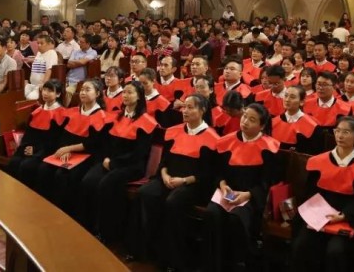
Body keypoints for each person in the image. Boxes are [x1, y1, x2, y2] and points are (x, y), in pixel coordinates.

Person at [131, 94, 219, 269]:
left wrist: (183, 180)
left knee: (173, 202)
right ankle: (148, 248)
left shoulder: (212, 137)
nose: (185, 111)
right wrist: (163, 175)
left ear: (202, 110)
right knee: (145, 193)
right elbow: (164, 162)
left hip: (194, 185)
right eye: (184, 107)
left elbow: (207, 174)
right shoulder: (174, 131)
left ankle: (174, 258)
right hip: (168, 178)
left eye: (190, 107)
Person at [291, 115, 354, 272]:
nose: (340, 136)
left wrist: (344, 216)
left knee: (335, 251)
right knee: (302, 245)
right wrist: (316, 214)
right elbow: (310, 192)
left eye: (346, 132)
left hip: (346, 220)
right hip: (318, 218)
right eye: (338, 131)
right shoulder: (319, 161)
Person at [202, 103, 280, 271]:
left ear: (262, 125)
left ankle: (238, 264)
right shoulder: (226, 141)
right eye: (245, 116)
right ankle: (214, 264)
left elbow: (267, 182)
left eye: (252, 120)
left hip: (251, 198)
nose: (245, 122)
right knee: (211, 213)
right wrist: (222, 185)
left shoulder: (269, 147)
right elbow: (218, 172)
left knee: (236, 218)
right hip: (226, 193)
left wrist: (248, 195)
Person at [78, 81, 157, 242]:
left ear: (139, 97)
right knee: (88, 180)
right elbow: (107, 143)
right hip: (111, 161)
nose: (126, 96)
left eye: (130, 93)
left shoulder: (146, 121)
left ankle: (106, 232)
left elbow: (139, 153)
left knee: (106, 183)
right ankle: (87, 225)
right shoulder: (116, 117)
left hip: (132, 165)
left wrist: (113, 163)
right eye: (124, 93)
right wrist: (107, 159)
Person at [36, 79, 111, 213]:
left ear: (98, 93)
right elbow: (63, 135)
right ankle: (44, 206)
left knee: (62, 174)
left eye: (88, 90)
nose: (83, 92)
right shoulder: (73, 111)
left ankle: (62, 212)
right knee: (44, 168)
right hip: (68, 152)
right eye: (82, 89)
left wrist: (68, 149)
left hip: (87, 156)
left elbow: (92, 143)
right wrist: (64, 149)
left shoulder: (101, 116)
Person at [6, 80, 67, 189]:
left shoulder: (61, 114)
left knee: (27, 166)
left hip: (46, 151)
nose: (45, 93)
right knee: (14, 162)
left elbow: (55, 141)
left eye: (50, 91)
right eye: (44, 89)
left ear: (58, 94)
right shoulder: (36, 112)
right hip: (32, 149)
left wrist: (35, 150)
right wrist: (26, 147)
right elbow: (28, 135)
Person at [271, 85, 321, 154]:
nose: (287, 99)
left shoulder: (313, 126)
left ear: (302, 102)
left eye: (292, 97)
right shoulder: (273, 122)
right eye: (286, 95)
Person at [25, 34, 58, 100]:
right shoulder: (39, 53)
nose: (39, 45)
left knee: (30, 99)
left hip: (41, 86)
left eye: (42, 43)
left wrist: (43, 84)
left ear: (49, 44)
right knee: (19, 97)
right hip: (32, 85)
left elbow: (49, 69)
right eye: (38, 43)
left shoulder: (51, 53)